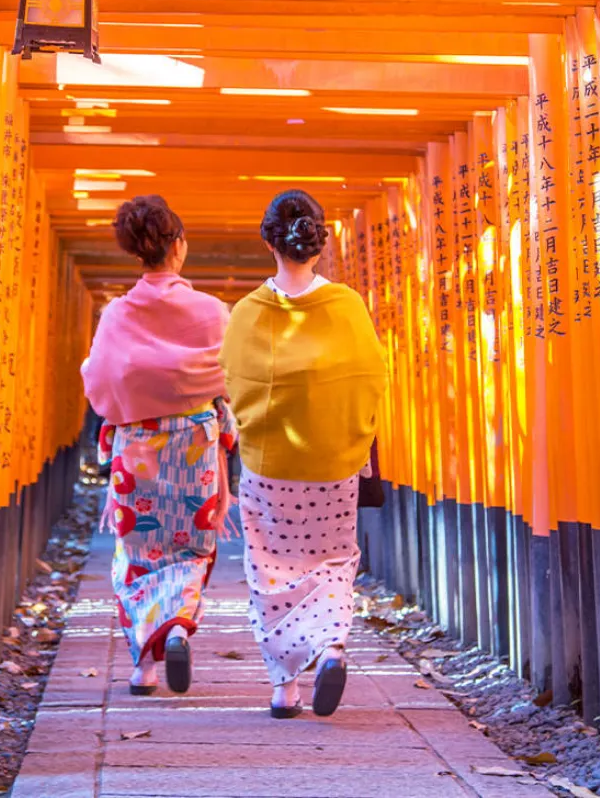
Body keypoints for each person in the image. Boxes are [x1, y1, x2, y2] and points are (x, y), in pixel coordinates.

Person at [219, 190, 387, 718]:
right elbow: (371, 379)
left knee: (271, 569)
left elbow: (230, 385)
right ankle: (331, 645)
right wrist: (353, 439)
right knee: (334, 561)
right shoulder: (347, 306)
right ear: (318, 242)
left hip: (270, 468)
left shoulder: (248, 313)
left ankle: (284, 688)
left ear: (269, 240)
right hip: (335, 466)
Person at [81, 195, 237, 696]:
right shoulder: (212, 312)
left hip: (138, 449)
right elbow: (232, 378)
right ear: (179, 246)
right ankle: (177, 624)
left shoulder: (117, 315)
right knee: (193, 547)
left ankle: (143, 667)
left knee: (137, 551)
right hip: (195, 446)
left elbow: (98, 381)